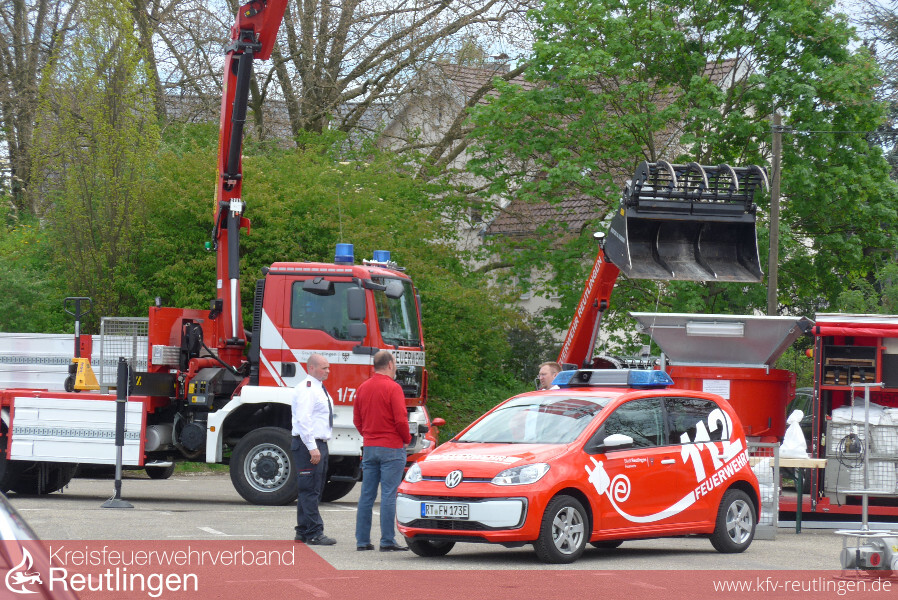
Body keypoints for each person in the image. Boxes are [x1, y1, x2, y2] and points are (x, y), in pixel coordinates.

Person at [353, 350, 412, 552]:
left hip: (370, 446)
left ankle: (362, 540)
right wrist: (406, 439)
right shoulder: (393, 388)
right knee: (388, 494)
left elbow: (357, 420)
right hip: (392, 447)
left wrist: (368, 435)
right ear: (389, 365)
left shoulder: (363, 387)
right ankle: (387, 540)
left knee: (366, 495)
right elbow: (400, 420)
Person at [291, 353, 337, 545]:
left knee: (311, 488)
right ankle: (314, 532)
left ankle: (303, 530)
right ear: (311, 368)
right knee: (310, 489)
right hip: (308, 444)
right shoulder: (308, 389)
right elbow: (304, 420)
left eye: (328, 367)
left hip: (317, 443)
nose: (328, 371)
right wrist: (312, 447)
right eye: (324, 368)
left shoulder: (318, 388)